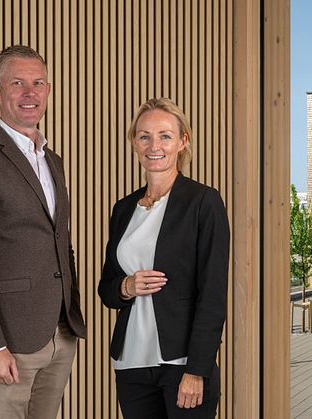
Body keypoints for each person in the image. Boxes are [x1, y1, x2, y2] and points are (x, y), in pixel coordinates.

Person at [0, 45, 86, 419]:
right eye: (18, 83)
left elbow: (59, 241)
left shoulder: (51, 159)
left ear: (48, 89)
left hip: (59, 335)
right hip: (7, 342)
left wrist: (69, 316)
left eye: (38, 83)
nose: (30, 93)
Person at [98, 97, 230, 418]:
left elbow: (212, 293)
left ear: (182, 141)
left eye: (164, 136)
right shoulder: (123, 209)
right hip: (131, 364)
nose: (153, 145)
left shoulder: (203, 202)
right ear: (134, 143)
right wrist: (126, 286)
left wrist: (197, 369)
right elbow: (107, 289)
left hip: (183, 363)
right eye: (144, 136)